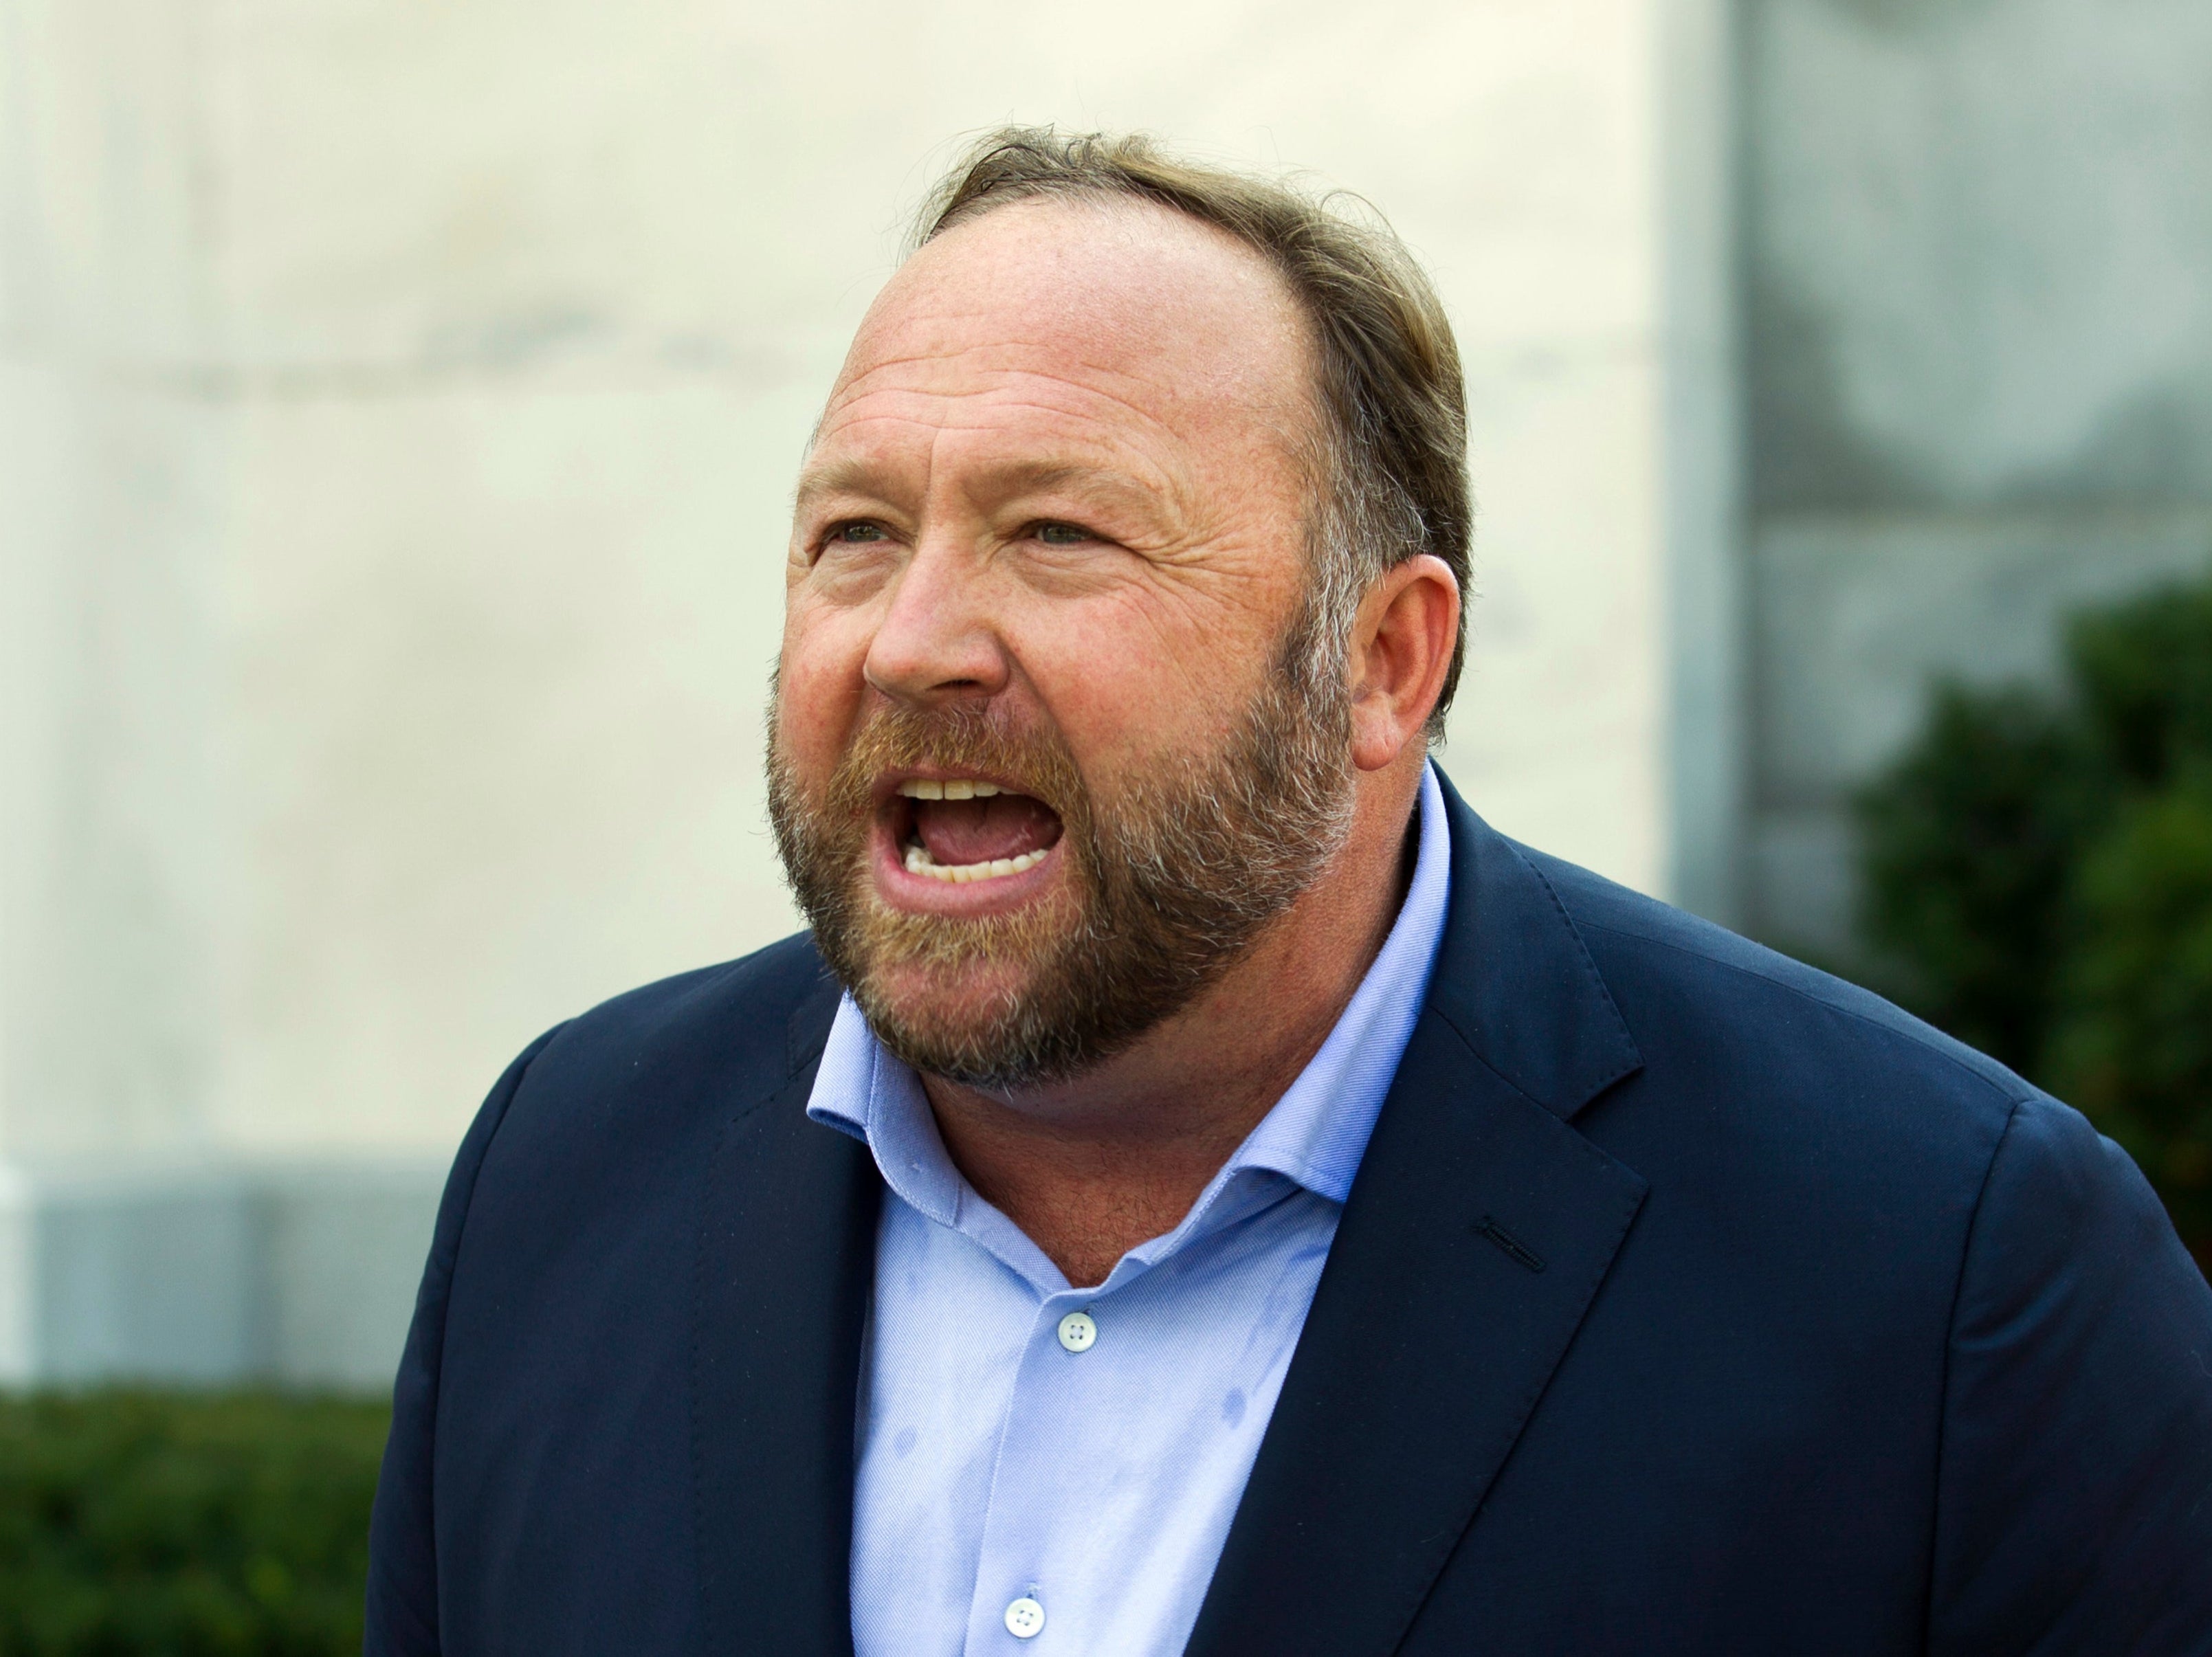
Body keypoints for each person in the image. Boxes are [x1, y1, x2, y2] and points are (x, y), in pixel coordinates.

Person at [364, 129, 2212, 1657]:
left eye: (1057, 532)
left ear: (1381, 664)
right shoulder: (561, 1178)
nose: (914, 639)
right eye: (854, 534)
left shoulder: (1942, 1272)